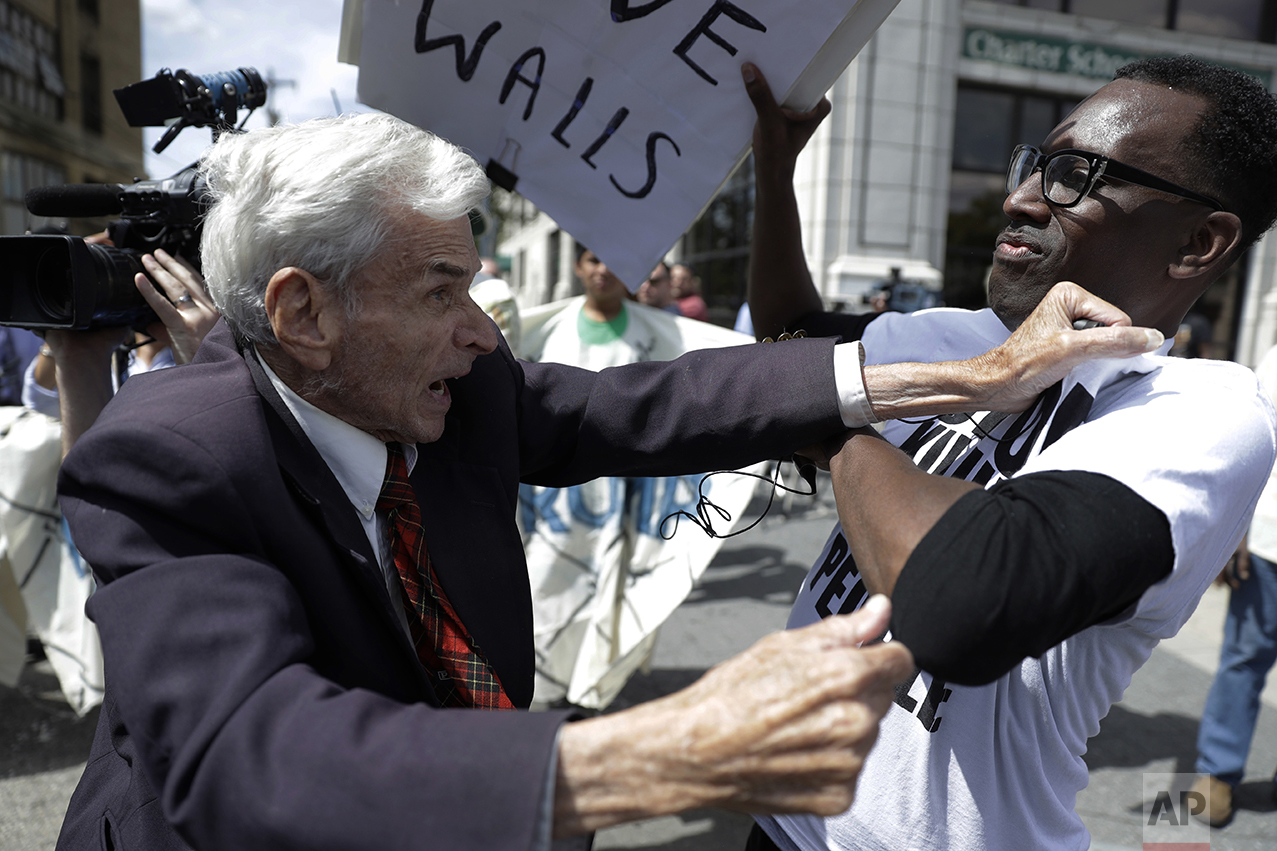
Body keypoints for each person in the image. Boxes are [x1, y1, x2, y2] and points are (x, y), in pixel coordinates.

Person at [55, 111, 1158, 850]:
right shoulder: (169, 454)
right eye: (442, 290)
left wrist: (969, 372)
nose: (482, 336)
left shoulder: (463, 393)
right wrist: (653, 754)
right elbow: (247, 753)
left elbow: (658, 404)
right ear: (302, 313)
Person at [741, 55, 1277, 851]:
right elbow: (789, 336)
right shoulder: (955, 340)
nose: (1021, 197)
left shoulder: (1201, 411)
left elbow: (958, 602)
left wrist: (838, 419)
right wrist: (775, 172)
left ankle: (1212, 783)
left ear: (1197, 242)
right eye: (1035, 163)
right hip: (782, 822)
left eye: (1076, 175)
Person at [517, 247, 758, 709]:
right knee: (547, 584)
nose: (603, 269)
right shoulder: (545, 330)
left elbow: (717, 375)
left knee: (619, 591)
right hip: (558, 506)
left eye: (611, 260)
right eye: (591, 259)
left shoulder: (660, 334)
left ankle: (592, 688)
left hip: (631, 502)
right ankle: (546, 686)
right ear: (578, 268)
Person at [1191, 342, 1277, 826]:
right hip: (1271, 535)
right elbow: (1256, 433)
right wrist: (1235, 526)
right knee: (1244, 656)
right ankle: (1217, 773)